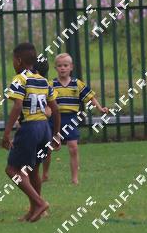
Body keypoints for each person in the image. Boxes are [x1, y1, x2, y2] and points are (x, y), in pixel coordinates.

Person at [2, 43, 60, 223]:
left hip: (30, 128)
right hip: (45, 128)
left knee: (12, 169)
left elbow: (17, 106)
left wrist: (6, 133)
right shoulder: (43, 80)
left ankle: (40, 203)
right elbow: (55, 109)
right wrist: (56, 134)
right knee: (33, 171)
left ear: (18, 60)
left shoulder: (20, 79)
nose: (13, 63)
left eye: (13, 59)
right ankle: (34, 210)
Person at [43, 53, 108, 185]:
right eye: (59, 66)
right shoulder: (51, 84)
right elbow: (44, 101)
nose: (62, 68)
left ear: (71, 67)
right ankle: (45, 174)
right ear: (55, 68)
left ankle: (74, 178)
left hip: (71, 119)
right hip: (54, 119)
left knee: (73, 148)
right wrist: (45, 111)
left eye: (65, 65)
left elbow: (90, 97)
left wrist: (100, 108)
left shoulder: (77, 84)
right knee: (47, 149)